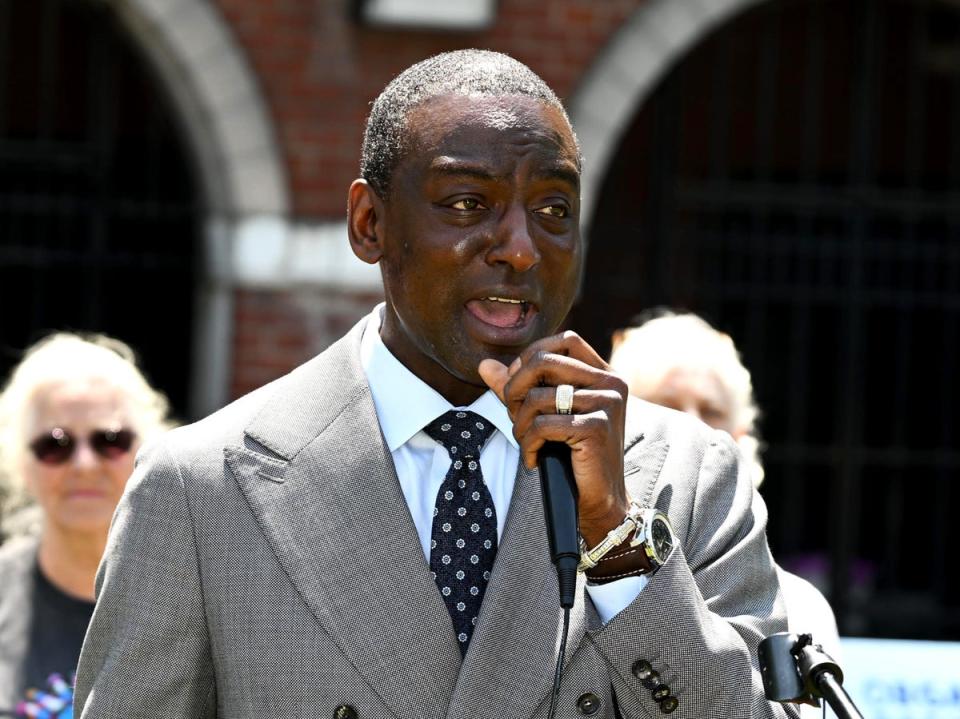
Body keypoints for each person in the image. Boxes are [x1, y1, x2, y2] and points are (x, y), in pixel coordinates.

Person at [76, 50, 798, 718]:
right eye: (465, 203)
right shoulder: (202, 488)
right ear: (370, 224)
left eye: (554, 210)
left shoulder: (689, 475)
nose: (520, 247)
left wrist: (614, 537)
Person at [610, 311, 842, 716]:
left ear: (741, 438)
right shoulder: (561, 584)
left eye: (712, 413)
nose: (695, 433)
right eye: (667, 410)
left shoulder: (801, 605)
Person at [0, 333, 173, 712]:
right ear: (20, 462)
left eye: (109, 440)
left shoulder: (197, 596)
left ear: (147, 453)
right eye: (55, 445)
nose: (83, 465)